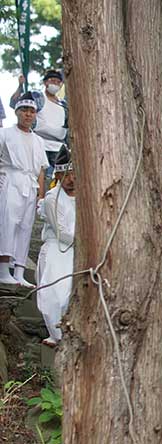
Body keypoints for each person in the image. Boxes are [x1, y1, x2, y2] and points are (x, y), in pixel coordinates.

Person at [0, 92, 49, 286]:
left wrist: (41, 194)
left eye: (31, 111)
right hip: (11, 180)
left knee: (26, 226)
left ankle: (19, 271)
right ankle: (4, 270)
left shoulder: (39, 141)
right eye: (24, 110)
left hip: (30, 184)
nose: (28, 115)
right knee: (8, 223)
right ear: (17, 112)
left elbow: (42, 170)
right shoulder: (5, 134)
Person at [36, 144, 75, 345]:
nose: (71, 179)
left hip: (77, 251)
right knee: (53, 293)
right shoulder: (52, 198)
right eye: (66, 175)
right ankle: (55, 333)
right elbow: (61, 231)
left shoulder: (82, 197)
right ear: (58, 176)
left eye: (73, 174)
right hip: (57, 248)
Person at [11, 71, 67, 167]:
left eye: (58, 82)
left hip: (58, 148)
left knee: (56, 181)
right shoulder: (37, 97)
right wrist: (20, 86)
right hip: (40, 145)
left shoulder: (64, 104)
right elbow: (14, 103)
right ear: (45, 82)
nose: (56, 84)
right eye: (53, 81)